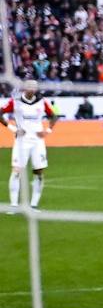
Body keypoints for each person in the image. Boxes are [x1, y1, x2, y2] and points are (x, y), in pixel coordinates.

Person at [3, 80, 58, 210]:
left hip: (37, 141)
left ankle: (34, 204)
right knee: (16, 171)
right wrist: (13, 129)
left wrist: (48, 131)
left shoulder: (42, 101)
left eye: (34, 87)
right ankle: (14, 205)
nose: (32, 90)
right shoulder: (15, 101)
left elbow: (53, 116)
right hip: (21, 141)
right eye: (29, 87)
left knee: (38, 172)